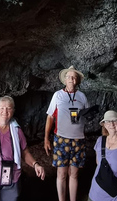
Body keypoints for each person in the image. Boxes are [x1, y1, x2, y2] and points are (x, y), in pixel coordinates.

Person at [0, 96, 45, 201]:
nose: (5, 111)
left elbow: (24, 152)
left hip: (11, 180)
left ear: (13, 111)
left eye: (9, 108)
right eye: (2, 108)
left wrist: (36, 164)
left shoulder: (17, 130)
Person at [44, 66, 89, 201]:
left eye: (74, 77)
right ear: (64, 80)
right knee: (62, 173)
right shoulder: (58, 95)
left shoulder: (82, 96)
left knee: (74, 174)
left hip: (78, 139)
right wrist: (46, 138)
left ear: (77, 81)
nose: (71, 79)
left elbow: (87, 114)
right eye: (68, 77)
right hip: (61, 139)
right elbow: (50, 117)